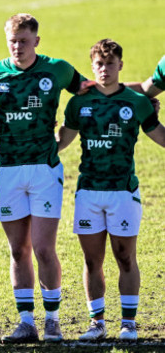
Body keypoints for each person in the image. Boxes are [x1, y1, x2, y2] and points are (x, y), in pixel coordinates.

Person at [0, 13, 87, 343]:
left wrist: (64, 138)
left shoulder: (57, 69)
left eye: (24, 41)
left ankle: (53, 321)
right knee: (18, 251)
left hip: (44, 170)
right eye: (12, 41)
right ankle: (26, 322)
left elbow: (89, 92)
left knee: (43, 248)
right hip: (8, 171)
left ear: (36, 41)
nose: (18, 47)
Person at [56, 39, 165, 342]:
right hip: (89, 191)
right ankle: (97, 322)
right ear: (92, 67)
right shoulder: (78, 103)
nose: (104, 69)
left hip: (123, 192)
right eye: (99, 64)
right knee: (92, 261)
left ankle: (128, 323)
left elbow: (160, 135)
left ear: (121, 65)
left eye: (110, 63)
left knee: (125, 257)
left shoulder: (136, 102)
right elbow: (61, 142)